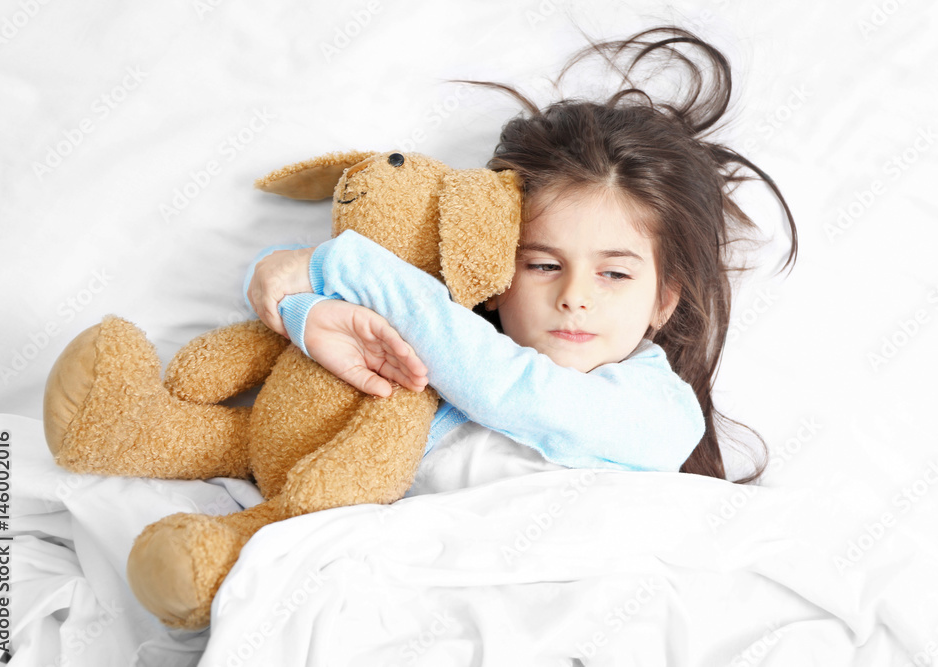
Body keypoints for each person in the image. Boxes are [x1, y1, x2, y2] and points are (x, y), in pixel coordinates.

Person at [245, 26, 798, 484]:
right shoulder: (434, 363)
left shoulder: (662, 413)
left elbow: (503, 387)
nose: (574, 297)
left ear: (664, 300)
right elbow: (347, 361)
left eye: (613, 273)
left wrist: (339, 265)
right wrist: (302, 304)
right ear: (492, 270)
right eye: (543, 265)